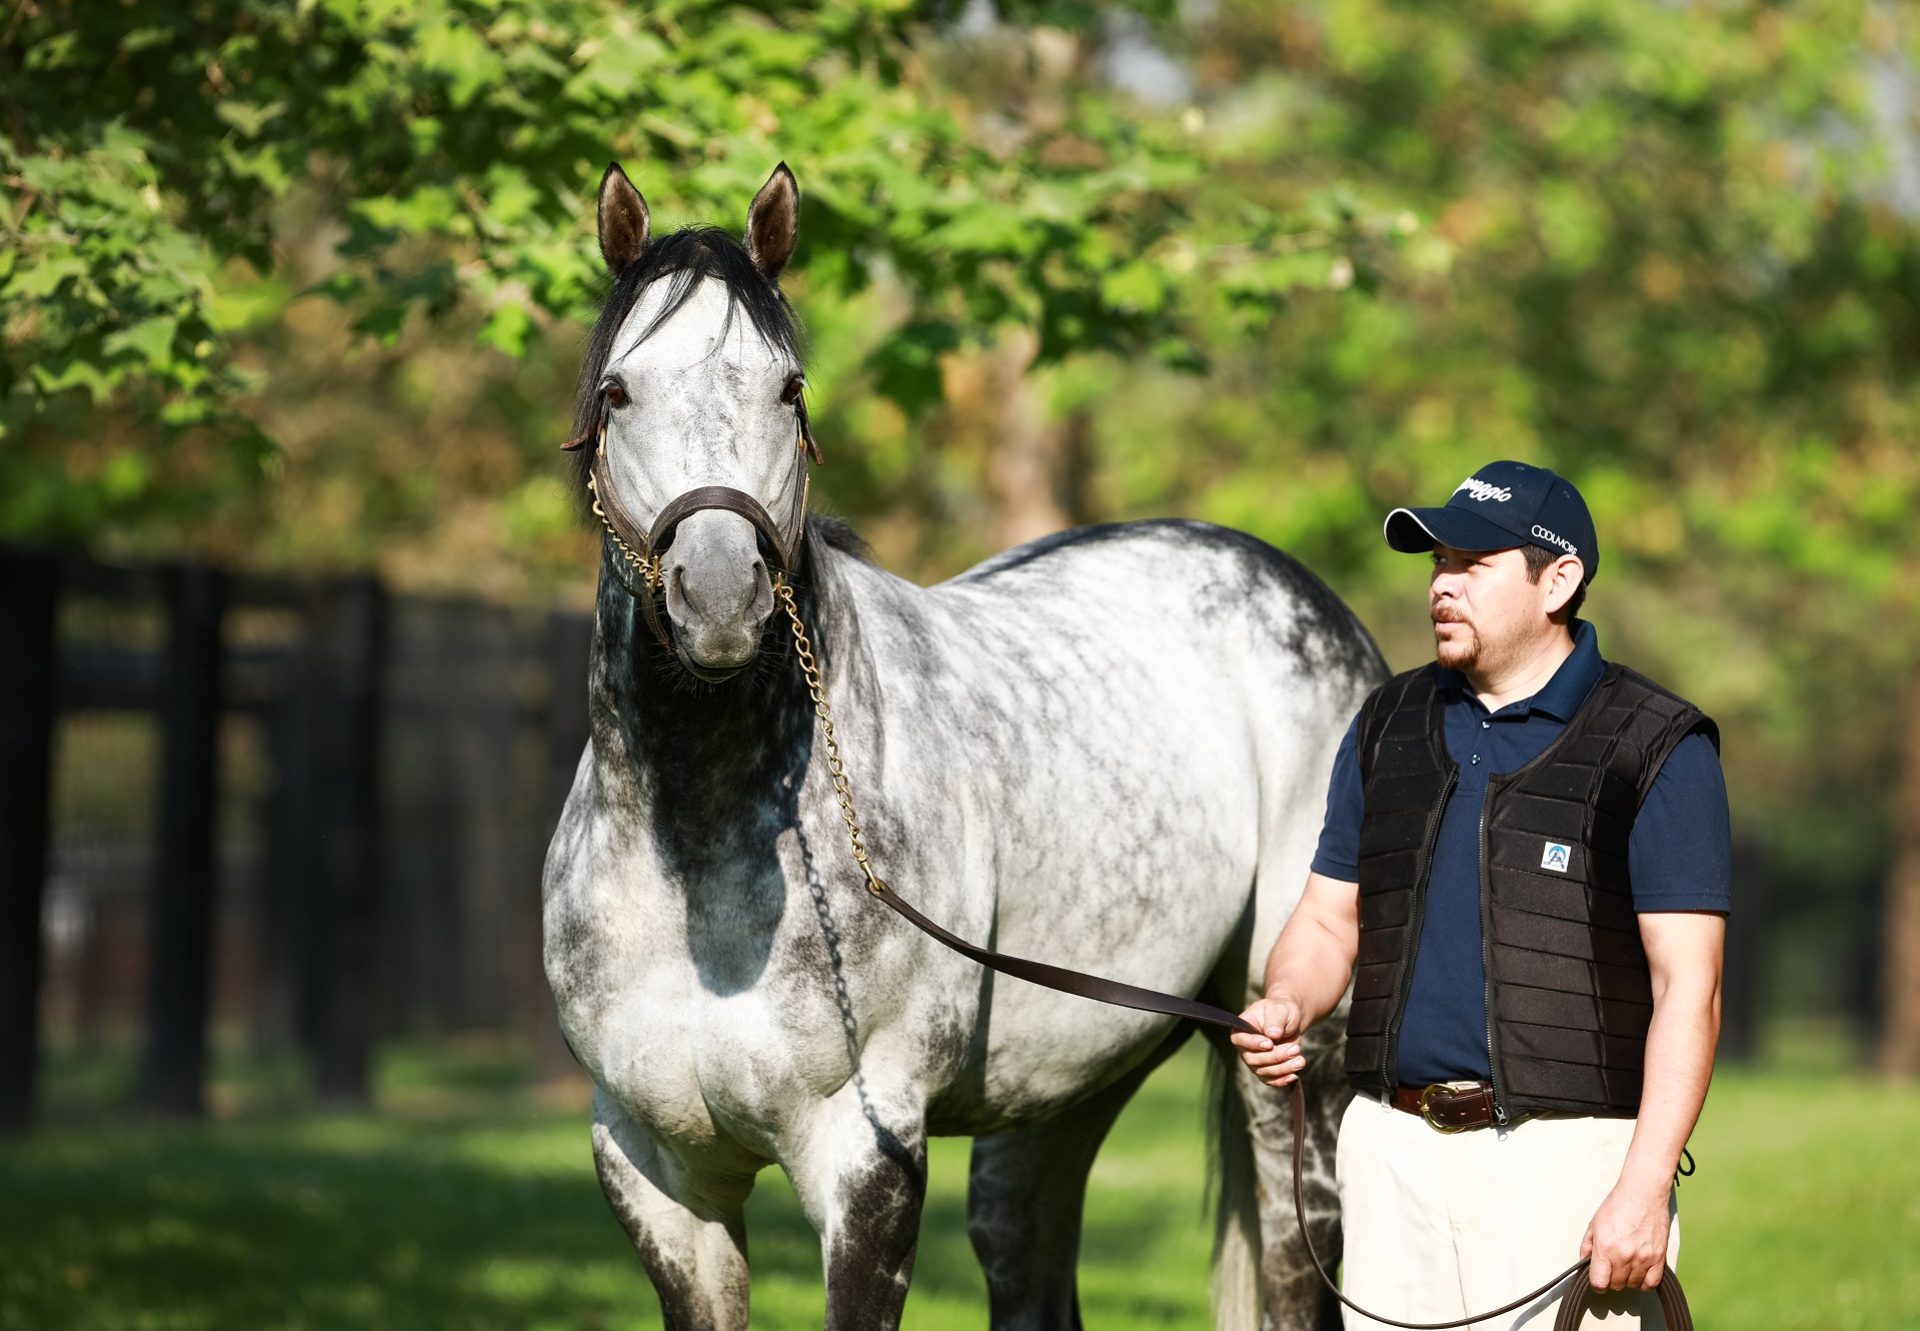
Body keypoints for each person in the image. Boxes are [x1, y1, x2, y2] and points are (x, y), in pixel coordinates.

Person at [1233, 461, 1730, 1330]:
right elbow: (1324, 918)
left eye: (1473, 563)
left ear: (1559, 579)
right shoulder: (1387, 722)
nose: (1443, 585)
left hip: (1569, 1167)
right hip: (1391, 1159)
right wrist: (1286, 999)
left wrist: (1644, 1189)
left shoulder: (1657, 746)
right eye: (1436, 563)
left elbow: (1690, 986)